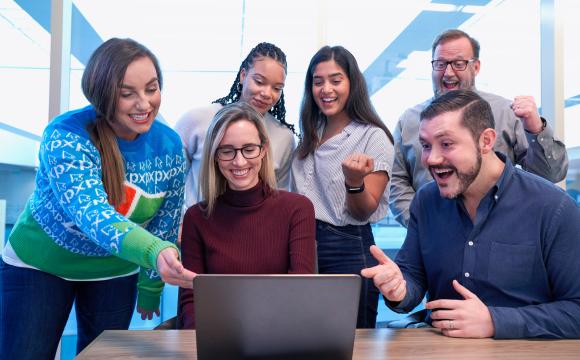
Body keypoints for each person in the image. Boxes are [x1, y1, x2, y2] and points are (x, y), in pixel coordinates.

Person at [0, 38, 196, 358]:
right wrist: (154, 251)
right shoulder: (66, 135)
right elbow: (92, 213)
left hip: (114, 271)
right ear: (103, 93)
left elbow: (167, 218)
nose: (144, 103)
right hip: (40, 266)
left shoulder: (169, 144)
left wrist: (150, 287)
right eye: (127, 93)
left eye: (151, 88)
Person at [362, 89, 580, 339]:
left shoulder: (552, 207)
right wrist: (399, 288)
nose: (431, 159)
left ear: (486, 141)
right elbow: (413, 276)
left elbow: (576, 310)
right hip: (441, 350)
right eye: (425, 145)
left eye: (446, 144)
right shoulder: (426, 201)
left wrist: (496, 322)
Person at [389, 29, 569, 227]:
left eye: (459, 64)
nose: (448, 73)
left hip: (500, 233)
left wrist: (536, 130)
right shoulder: (409, 120)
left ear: (476, 67)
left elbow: (549, 175)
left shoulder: (506, 113)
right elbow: (397, 183)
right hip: (433, 239)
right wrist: (423, 224)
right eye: (440, 64)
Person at [177, 102, 315, 329]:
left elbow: (299, 291)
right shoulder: (196, 218)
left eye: (249, 149)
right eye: (227, 151)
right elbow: (191, 301)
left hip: (281, 335)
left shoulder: (297, 209)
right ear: (214, 155)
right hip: (217, 337)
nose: (239, 161)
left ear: (264, 149)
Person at [292, 45, 394, 328]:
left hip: (347, 246)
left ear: (352, 84)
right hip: (303, 244)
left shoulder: (373, 137)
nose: (326, 89)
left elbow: (364, 211)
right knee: (303, 336)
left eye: (336, 80)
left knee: (351, 341)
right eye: (318, 81)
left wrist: (353, 182)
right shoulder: (310, 132)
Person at [174, 42, 296, 210]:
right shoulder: (197, 120)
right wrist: (180, 222)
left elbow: (277, 197)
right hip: (196, 226)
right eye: (259, 82)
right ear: (243, 75)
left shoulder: (284, 138)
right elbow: (171, 181)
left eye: (277, 88)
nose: (267, 94)